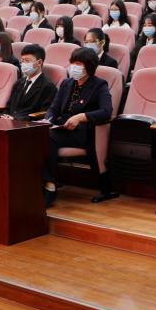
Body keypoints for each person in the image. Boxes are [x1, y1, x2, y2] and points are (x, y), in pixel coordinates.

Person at [39, 47, 114, 207]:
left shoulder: (99, 85)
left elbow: (106, 111)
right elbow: (53, 108)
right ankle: (42, 182)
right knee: (37, 134)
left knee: (48, 137)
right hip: (61, 127)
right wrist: (47, 120)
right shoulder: (67, 83)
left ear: (89, 66)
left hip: (84, 132)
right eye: (73, 63)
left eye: (79, 64)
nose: (74, 67)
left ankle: (50, 185)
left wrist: (81, 117)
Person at [1, 45, 57, 121]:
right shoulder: (18, 83)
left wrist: (15, 119)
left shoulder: (48, 87)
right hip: (9, 122)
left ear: (39, 62)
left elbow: (44, 114)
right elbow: (8, 106)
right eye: (22, 61)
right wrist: (5, 117)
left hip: (28, 125)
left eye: (27, 61)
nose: (23, 64)